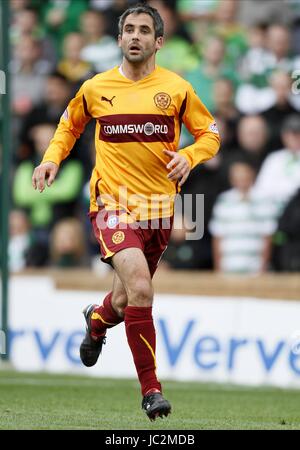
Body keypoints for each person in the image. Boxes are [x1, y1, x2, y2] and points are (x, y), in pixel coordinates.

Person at [31, 3, 220, 421]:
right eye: (128, 29)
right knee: (142, 287)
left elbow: (211, 133)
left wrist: (190, 155)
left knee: (124, 299)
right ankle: (151, 390)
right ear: (119, 39)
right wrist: (51, 159)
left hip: (157, 210)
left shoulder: (176, 88)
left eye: (143, 30)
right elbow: (68, 125)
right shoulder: (96, 87)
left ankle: (97, 321)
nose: (135, 36)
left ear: (158, 41)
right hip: (111, 205)